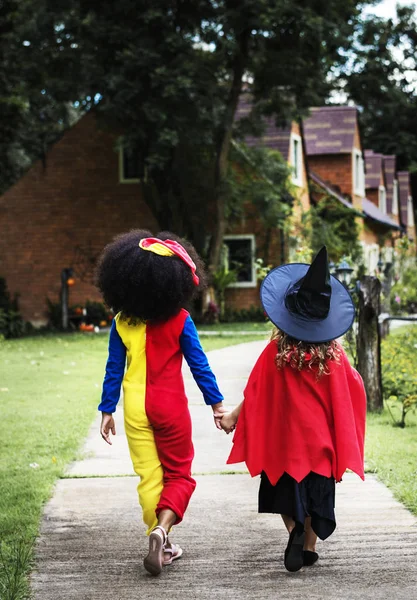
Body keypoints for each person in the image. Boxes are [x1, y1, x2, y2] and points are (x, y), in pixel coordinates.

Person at [220, 246, 366, 572]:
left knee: (285, 494)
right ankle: (309, 545)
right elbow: (353, 394)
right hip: (321, 448)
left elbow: (255, 393)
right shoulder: (335, 359)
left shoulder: (276, 352)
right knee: (316, 498)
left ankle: (294, 530)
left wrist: (232, 416)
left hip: (285, 446)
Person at [96, 230, 226, 576]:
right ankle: (162, 531)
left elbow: (113, 368)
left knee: (148, 476)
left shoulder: (121, 322)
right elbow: (200, 365)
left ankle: (160, 542)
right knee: (179, 474)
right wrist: (217, 405)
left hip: (134, 407)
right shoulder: (181, 320)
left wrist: (107, 409)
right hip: (168, 407)